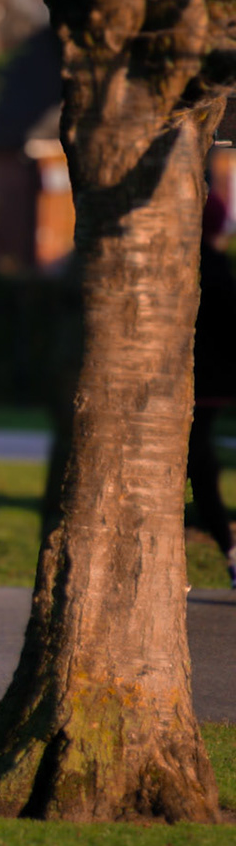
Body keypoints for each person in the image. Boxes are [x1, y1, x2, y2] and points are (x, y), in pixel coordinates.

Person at [187, 194, 236, 589]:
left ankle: (227, 545)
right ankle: (227, 546)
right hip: (210, 381)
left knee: (198, 460)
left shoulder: (192, 266)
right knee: (199, 460)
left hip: (200, 380)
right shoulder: (216, 268)